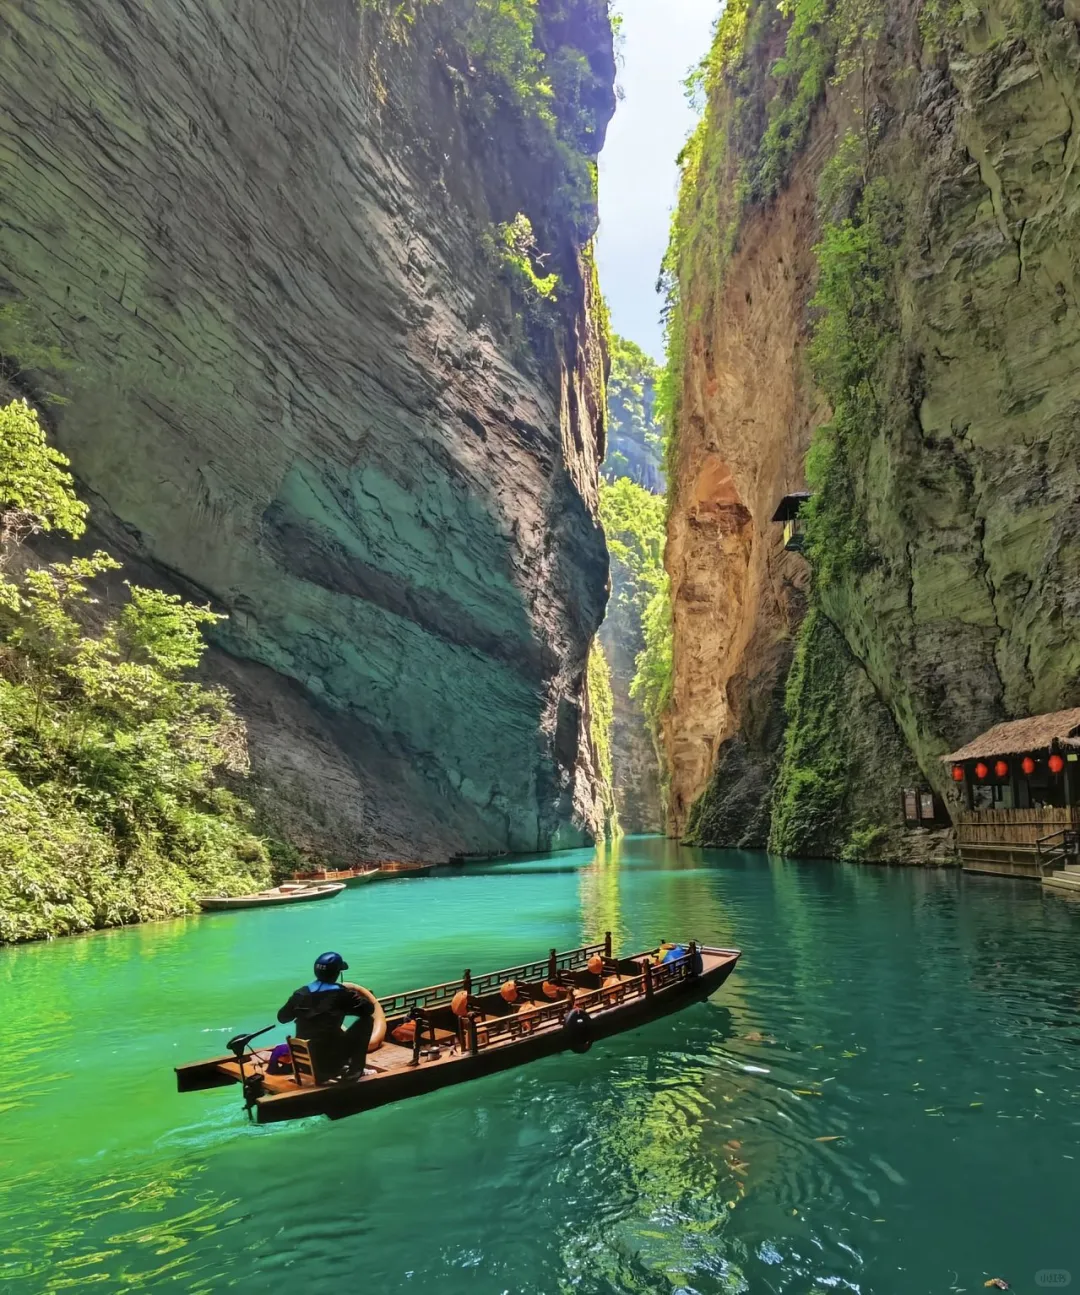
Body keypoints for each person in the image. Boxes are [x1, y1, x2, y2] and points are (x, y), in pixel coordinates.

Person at [277, 951, 374, 1078]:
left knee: (327, 1030)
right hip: (331, 1063)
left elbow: (282, 1018)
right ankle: (355, 1070)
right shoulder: (341, 994)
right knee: (367, 1021)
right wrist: (358, 999)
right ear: (336, 973)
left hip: (305, 1063)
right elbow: (368, 1011)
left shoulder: (300, 994)